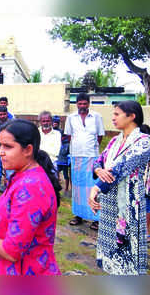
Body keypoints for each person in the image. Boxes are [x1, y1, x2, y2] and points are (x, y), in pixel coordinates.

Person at [0, 119, 62, 275]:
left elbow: (12, 252)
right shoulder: (21, 175)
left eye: (8, 146)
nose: (0, 151)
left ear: (28, 150)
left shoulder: (31, 186)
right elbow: (25, 222)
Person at [89, 101, 150, 275]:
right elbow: (99, 160)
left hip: (129, 205)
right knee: (109, 246)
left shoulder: (144, 142)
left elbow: (120, 168)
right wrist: (98, 169)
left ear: (131, 116)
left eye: (117, 114)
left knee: (127, 248)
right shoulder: (115, 140)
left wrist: (95, 189)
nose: (113, 118)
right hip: (109, 202)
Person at [65, 93, 105, 230]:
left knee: (93, 187)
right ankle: (78, 216)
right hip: (76, 157)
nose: (82, 106)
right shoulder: (71, 118)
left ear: (89, 103)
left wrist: (92, 150)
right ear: (76, 104)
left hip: (92, 157)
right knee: (77, 187)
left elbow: (99, 136)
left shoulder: (96, 117)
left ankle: (96, 218)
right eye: (80, 104)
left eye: (85, 103)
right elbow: (69, 136)